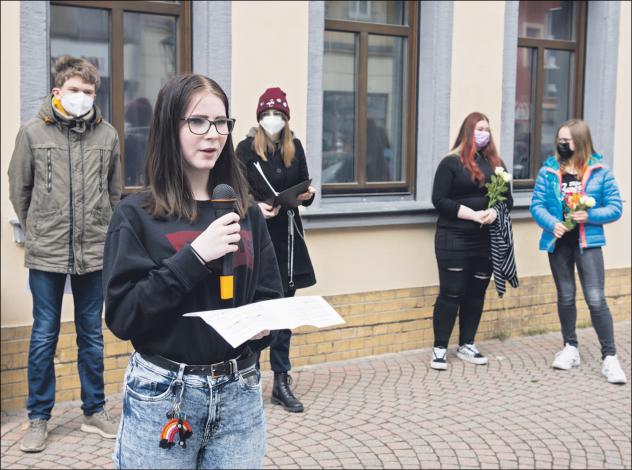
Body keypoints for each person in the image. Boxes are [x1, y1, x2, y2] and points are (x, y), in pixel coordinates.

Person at [102, 74, 284, 469]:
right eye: (197, 122)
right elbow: (123, 315)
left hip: (240, 392)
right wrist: (195, 256)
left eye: (221, 122)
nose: (213, 134)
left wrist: (264, 325)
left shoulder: (246, 212)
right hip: (165, 395)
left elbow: (269, 293)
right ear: (171, 128)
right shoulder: (135, 216)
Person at [8, 56, 121, 453]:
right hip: (47, 253)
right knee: (43, 335)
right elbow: (19, 189)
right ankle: (38, 417)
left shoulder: (107, 135)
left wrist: (103, 230)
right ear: (58, 92)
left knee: (91, 335)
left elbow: (114, 192)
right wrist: (40, 227)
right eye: (75, 90)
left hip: (93, 251)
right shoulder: (33, 132)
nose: (82, 97)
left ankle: (95, 410)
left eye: (88, 92)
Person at [236, 87, 316, 413]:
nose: (273, 119)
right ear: (259, 117)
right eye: (268, 114)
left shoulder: (293, 149)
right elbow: (233, 192)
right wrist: (255, 205)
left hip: (288, 239)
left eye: (279, 115)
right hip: (256, 237)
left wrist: (305, 196)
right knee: (255, 307)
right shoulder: (244, 150)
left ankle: (281, 380)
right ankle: (248, 376)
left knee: (284, 311)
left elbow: (305, 186)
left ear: (286, 119)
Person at [530, 119, 626, 384]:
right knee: (566, 296)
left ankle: (610, 358)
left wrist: (589, 215)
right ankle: (570, 347)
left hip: (588, 243)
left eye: (567, 140)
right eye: (559, 139)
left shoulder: (599, 171)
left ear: (580, 141)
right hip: (558, 243)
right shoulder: (548, 170)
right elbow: (537, 205)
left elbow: (616, 207)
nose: (562, 144)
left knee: (596, 299)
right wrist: (553, 224)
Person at [430, 112, 513, 370]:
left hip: (486, 239)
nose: (484, 133)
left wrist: (493, 212)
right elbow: (439, 200)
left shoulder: (497, 164)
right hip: (454, 236)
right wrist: (472, 214)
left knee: (476, 293)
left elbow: (507, 200)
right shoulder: (451, 162)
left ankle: (467, 343)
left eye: (487, 128)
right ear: (468, 131)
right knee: (451, 292)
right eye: (479, 128)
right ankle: (440, 348)